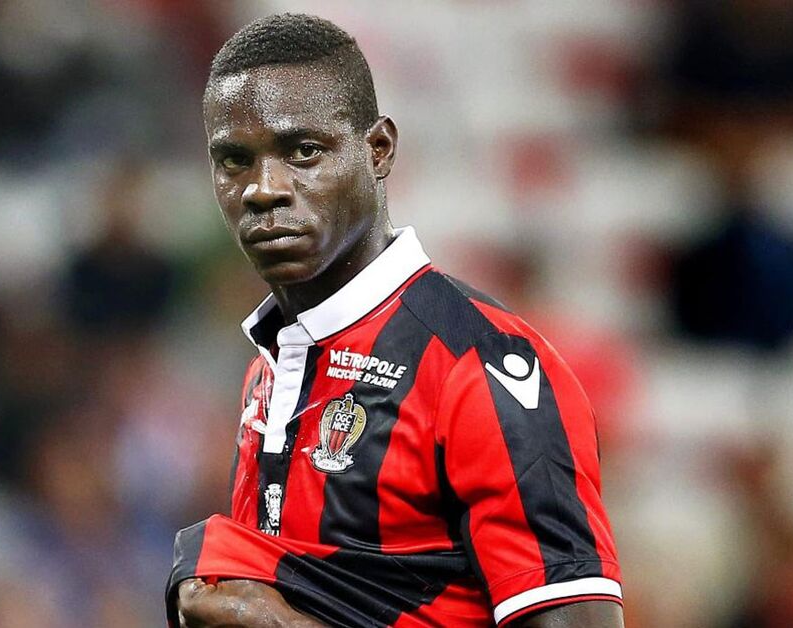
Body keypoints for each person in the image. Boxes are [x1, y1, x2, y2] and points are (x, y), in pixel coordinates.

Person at [167, 13, 624, 628]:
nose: (263, 189)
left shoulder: (481, 367)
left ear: (378, 149)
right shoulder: (269, 373)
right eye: (235, 160)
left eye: (304, 151)